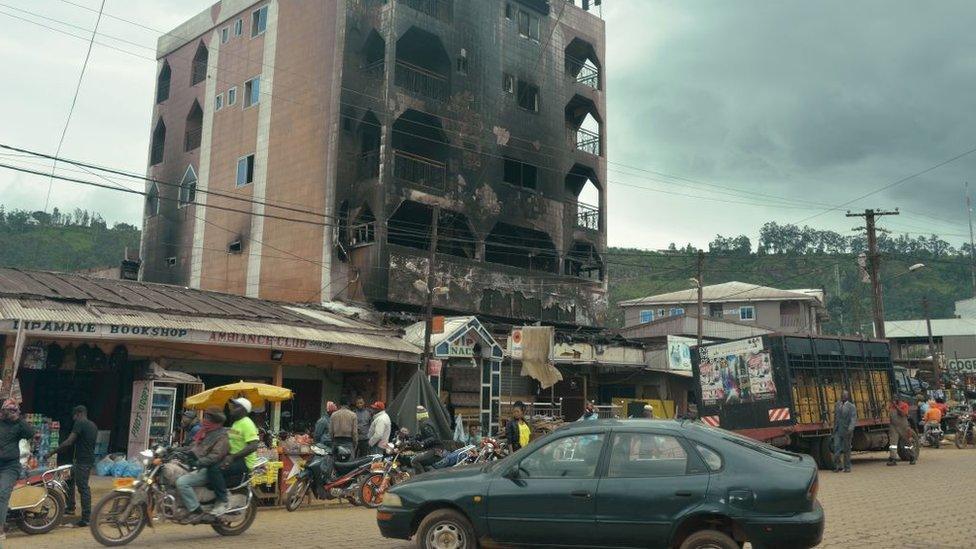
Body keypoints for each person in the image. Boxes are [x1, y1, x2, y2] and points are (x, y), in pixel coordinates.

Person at [174, 407, 228, 522]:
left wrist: (199, 462)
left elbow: (215, 456)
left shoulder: (221, 436)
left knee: (182, 482)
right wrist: (177, 451)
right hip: (197, 465)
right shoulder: (204, 432)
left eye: (208, 418)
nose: (205, 420)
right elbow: (194, 447)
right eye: (205, 417)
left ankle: (196, 511)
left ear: (215, 422)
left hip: (208, 468)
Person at [50, 405, 97, 526]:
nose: (74, 418)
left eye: (74, 416)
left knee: (83, 488)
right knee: (69, 481)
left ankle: (86, 518)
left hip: (83, 461)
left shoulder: (80, 423)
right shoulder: (93, 425)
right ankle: (70, 507)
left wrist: (52, 452)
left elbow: (69, 441)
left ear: (79, 413)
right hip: (81, 460)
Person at [0, 399, 34, 540]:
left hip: (10, 466)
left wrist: (18, 418)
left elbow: (31, 433)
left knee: (2, 493)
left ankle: (1, 529)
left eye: (13, 410)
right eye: (7, 410)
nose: (9, 413)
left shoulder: (18, 425)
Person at [411, 406, 445, 474]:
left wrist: (422, 443)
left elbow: (432, 437)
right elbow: (424, 435)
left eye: (418, 413)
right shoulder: (426, 422)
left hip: (435, 449)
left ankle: (421, 478)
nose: (416, 415)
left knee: (415, 461)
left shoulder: (425, 424)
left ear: (420, 415)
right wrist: (415, 438)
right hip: (434, 447)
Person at [831, 390, 857, 473]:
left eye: (845, 395)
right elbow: (836, 417)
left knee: (846, 449)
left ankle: (847, 467)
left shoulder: (851, 406)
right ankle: (838, 466)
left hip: (847, 431)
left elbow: (853, 419)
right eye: (842, 395)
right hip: (838, 430)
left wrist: (850, 428)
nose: (843, 397)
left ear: (848, 397)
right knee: (836, 448)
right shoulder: (837, 405)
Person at [888, 399, 916, 466]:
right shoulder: (891, 406)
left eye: (895, 398)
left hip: (903, 426)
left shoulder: (904, 405)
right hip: (893, 426)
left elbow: (903, 414)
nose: (894, 400)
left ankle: (912, 457)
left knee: (907, 442)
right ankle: (893, 459)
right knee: (893, 444)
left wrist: (896, 406)